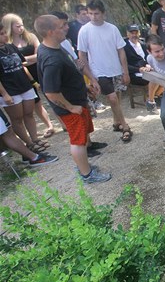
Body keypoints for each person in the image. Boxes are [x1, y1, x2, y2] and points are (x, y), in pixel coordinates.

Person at [35, 14, 111, 183]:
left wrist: (84, 88)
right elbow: (51, 92)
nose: (66, 28)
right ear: (50, 32)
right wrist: (70, 107)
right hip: (70, 108)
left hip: (76, 101)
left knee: (82, 138)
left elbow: (68, 77)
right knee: (78, 141)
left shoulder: (55, 47)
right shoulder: (51, 59)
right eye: (61, 26)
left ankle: (85, 167)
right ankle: (87, 174)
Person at [77, 0, 133, 143]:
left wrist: (125, 71)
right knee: (112, 98)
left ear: (103, 13)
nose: (93, 17)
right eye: (90, 14)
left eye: (96, 13)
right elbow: (81, 56)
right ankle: (125, 127)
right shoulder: (84, 30)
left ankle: (116, 122)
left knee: (117, 97)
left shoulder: (112, 29)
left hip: (115, 69)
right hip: (98, 71)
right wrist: (91, 77)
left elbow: (121, 51)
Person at [2, 13, 56, 138]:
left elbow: (27, 61)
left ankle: (39, 136)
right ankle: (35, 137)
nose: (21, 28)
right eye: (17, 26)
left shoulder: (23, 41)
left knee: (37, 107)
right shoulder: (9, 45)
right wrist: (5, 93)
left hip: (32, 77)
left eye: (22, 25)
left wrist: (32, 80)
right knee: (25, 112)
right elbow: (23, 62)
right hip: (17, 82)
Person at [0, 23, 47, 153]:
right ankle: (29, 143)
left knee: (29, 114)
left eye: (4, 33)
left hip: (24, 86)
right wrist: (4, 94)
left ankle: (35, 139)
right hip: (10, 91)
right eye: (1, 34)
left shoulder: (10, 47)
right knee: (17, 118)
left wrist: (32, 81)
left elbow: (22, 65)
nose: (4, 36)